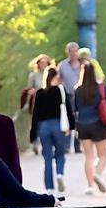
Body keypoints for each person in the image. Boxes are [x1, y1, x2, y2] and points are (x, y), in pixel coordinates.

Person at [69, 62, 106, 195]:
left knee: (88, 156)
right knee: (103, 154)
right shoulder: (100, 87)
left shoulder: (78, 89)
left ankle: (89, 186)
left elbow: (75, 108)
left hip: (83, 125)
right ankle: (97, 173)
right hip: (98, 125)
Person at [29, 66, 74, 194]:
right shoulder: (60, 90)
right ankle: (59, 174)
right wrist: (71, 126)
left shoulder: (39, 93)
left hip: (43, 127)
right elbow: (68, 109)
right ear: (56, 77)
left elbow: (35, 114)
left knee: (47, 157)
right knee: (60, 154)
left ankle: (49, 188)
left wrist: (33, 133)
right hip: (57, 125)